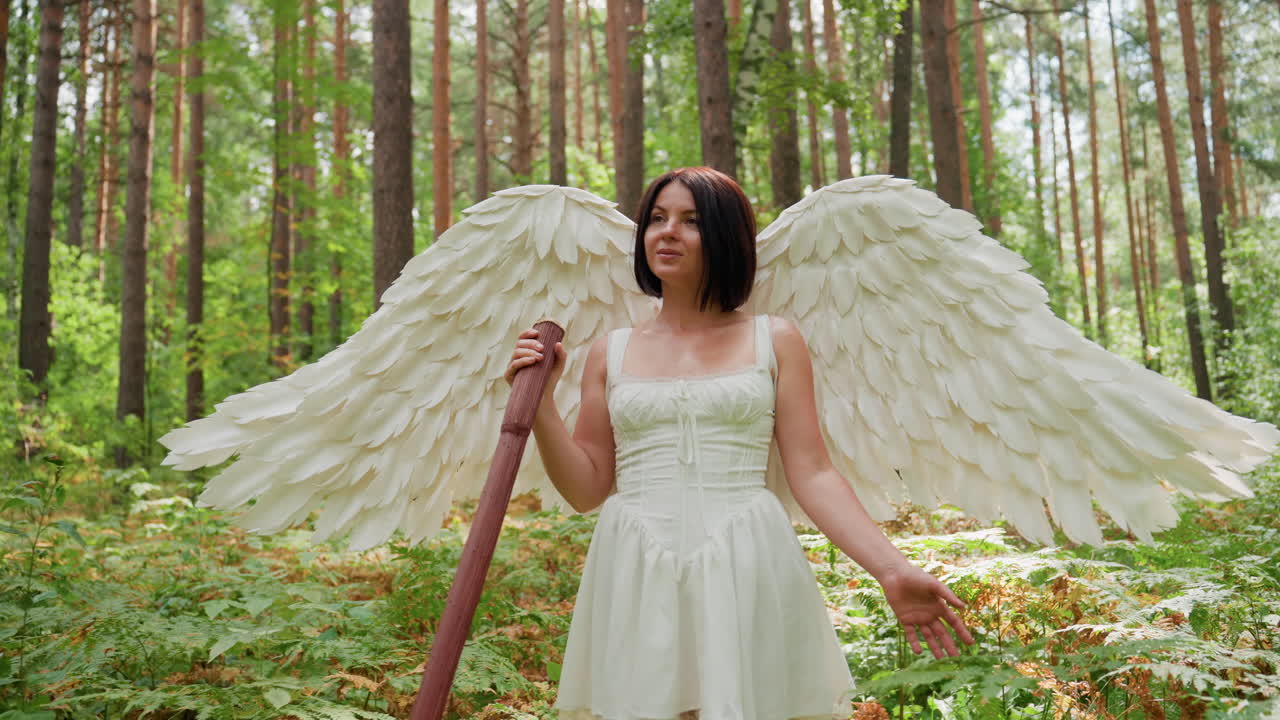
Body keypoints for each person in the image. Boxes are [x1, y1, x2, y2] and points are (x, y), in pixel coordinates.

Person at [505, 167, 974, 720]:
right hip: (636, 559)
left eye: (691, 221)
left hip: (746, 555)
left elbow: (813, 472)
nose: (667, 232)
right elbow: (587, 488)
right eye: (657, 219)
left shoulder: (773, 340)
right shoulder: (610, 351)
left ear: (725, 236)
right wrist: (539, 410)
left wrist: (891, 568)